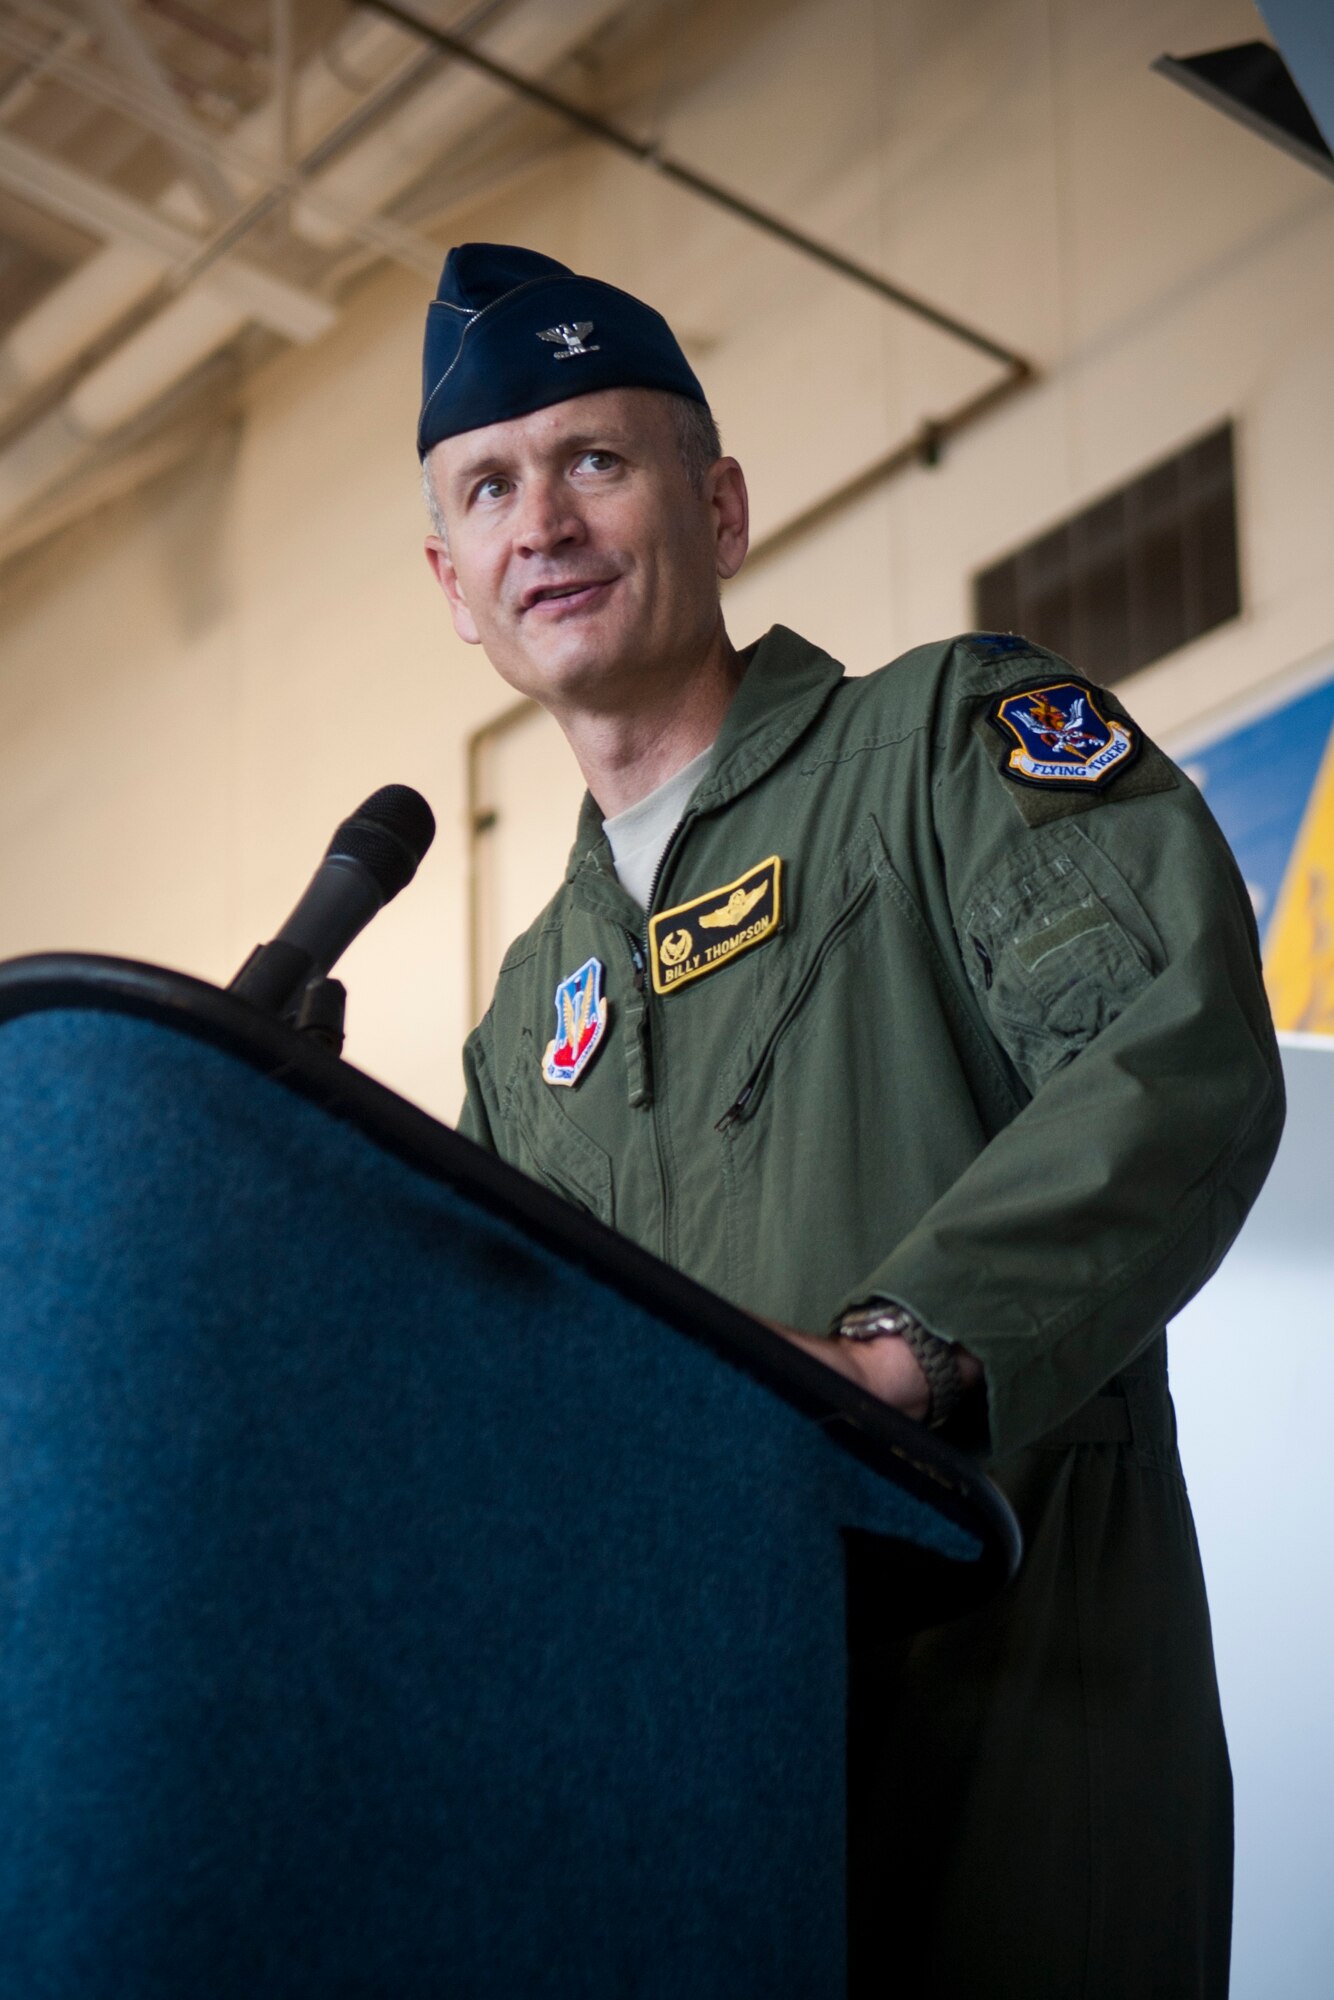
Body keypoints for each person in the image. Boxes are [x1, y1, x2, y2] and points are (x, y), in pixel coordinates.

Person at [419, 241, 1283, 1996]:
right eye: (490, 488)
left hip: (1018, 1745)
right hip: (708, 1815)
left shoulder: (942, 746)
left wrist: (906, 1363)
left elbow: (1175, 1050)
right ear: (452, 584)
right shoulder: (523, 1022)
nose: (544, 524)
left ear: (718, 508)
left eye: (596, 459)